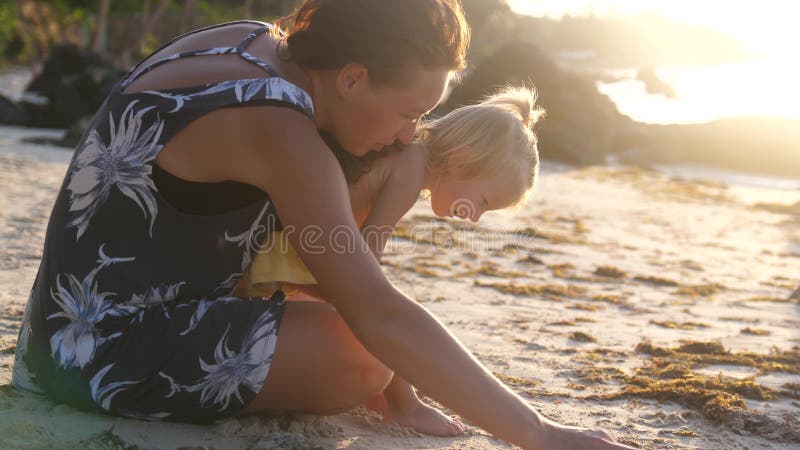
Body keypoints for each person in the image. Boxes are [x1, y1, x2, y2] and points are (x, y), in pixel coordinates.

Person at [12, 1, 632, 448]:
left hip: (56, 330)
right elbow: (378, 313)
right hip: (93, 357)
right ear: (353, 78)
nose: (407, 135)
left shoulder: (254, 41)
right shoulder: (280, 130)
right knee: (361, 356)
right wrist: (537, 432)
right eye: (409, 113)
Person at [238, 85, 545, 436]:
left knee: (363, 313)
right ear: (463, 159)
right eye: (484, 201)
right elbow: (363, 269)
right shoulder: (410, 169)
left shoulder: (404, 152)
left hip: (281, 254)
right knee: (381, 309)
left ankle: (386, 396)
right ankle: (406, 406)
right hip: (277, 258)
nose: (476, 217)